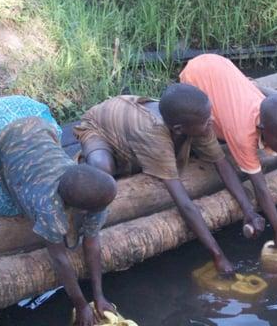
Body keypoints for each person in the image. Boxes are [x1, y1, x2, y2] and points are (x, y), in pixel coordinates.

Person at [73, 84, 265, 276]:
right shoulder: (154, 131)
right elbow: (184, 203)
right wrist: (218, 255)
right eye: (207, 121)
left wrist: (249, 210)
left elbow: (221, 163)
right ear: (179, 129)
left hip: (131, 127)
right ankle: (81, 177)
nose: (212, 121)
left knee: (162, 157)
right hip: (98, 127)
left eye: (209, 116)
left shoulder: (199, 120)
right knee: (103, 170)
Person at [0, 96, 117, 326]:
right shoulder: (46, 206)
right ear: (78, 208)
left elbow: (92, 242)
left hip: (33, 117)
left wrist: (98, 296)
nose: (103, 210)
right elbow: (59, 257)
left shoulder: (88, 187)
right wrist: (79, 303)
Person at [180, 54, 277, 249]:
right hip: (197, 76)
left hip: (222, 65)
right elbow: (260, 187)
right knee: (210, 135)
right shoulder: (242, 134)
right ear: (262, 128)